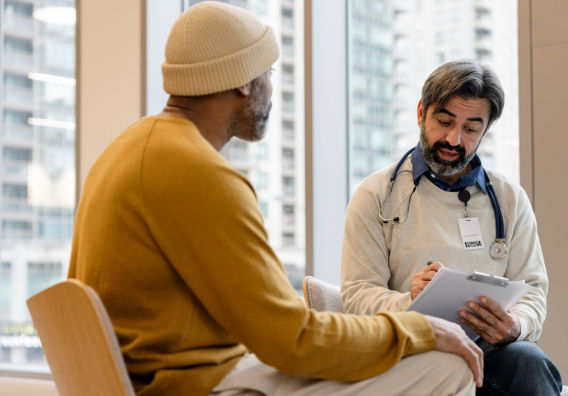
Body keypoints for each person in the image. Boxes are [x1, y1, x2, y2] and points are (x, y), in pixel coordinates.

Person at [67, 3, 487, 396]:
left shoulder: (127, 147)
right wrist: (420, 330)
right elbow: (292, 340)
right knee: (447, 364)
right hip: (196, 386)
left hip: (173, 373)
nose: (272, 87)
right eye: (268, 72)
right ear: (245, 81)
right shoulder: (199, 174)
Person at [341, 60, 564, 395]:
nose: (453, 139)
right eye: (443, 121)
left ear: (485, 130)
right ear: (421, 112)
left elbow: (532, 289)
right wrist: (411, 300)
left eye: (471, 129)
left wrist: (515, 326)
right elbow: (358, 294)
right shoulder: (376, 195)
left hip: (491, 354)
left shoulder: (509, 199)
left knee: (527, 361)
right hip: (411, 349)